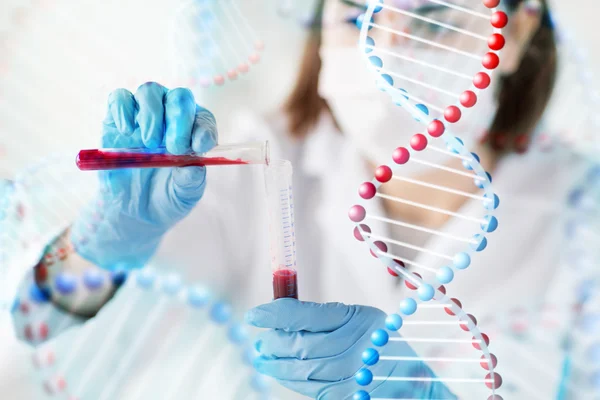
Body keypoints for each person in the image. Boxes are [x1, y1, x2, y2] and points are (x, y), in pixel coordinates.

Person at [3, 0, 584, 398]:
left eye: (432, 19)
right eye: (357, 17)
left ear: (520, 29)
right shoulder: (257, 167)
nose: (384, 54)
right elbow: (29, 331)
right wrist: (103, 245)